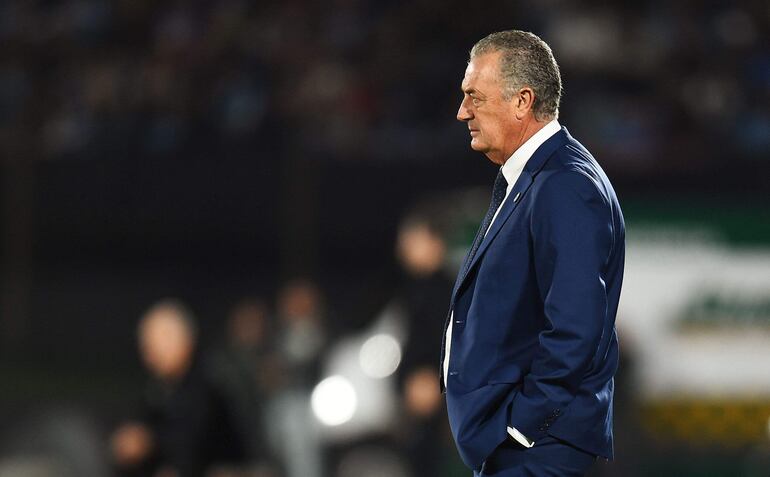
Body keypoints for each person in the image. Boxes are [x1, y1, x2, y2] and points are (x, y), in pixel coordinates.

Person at [440, 30, 625, 476]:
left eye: (474, 97)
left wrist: (523, 426)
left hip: (538, 449)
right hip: (524, 445)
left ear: (522, 101)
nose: (462, 111)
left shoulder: (565, 184)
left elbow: (576, 327)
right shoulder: (536, 177)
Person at [111, 299, 247, 477]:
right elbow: (142, 426)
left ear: (183, 339)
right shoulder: (158, 389)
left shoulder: (210, 382)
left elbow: (195, 442)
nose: (150, 352)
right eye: (146, 344)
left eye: (157, 341)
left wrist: (150, 442)